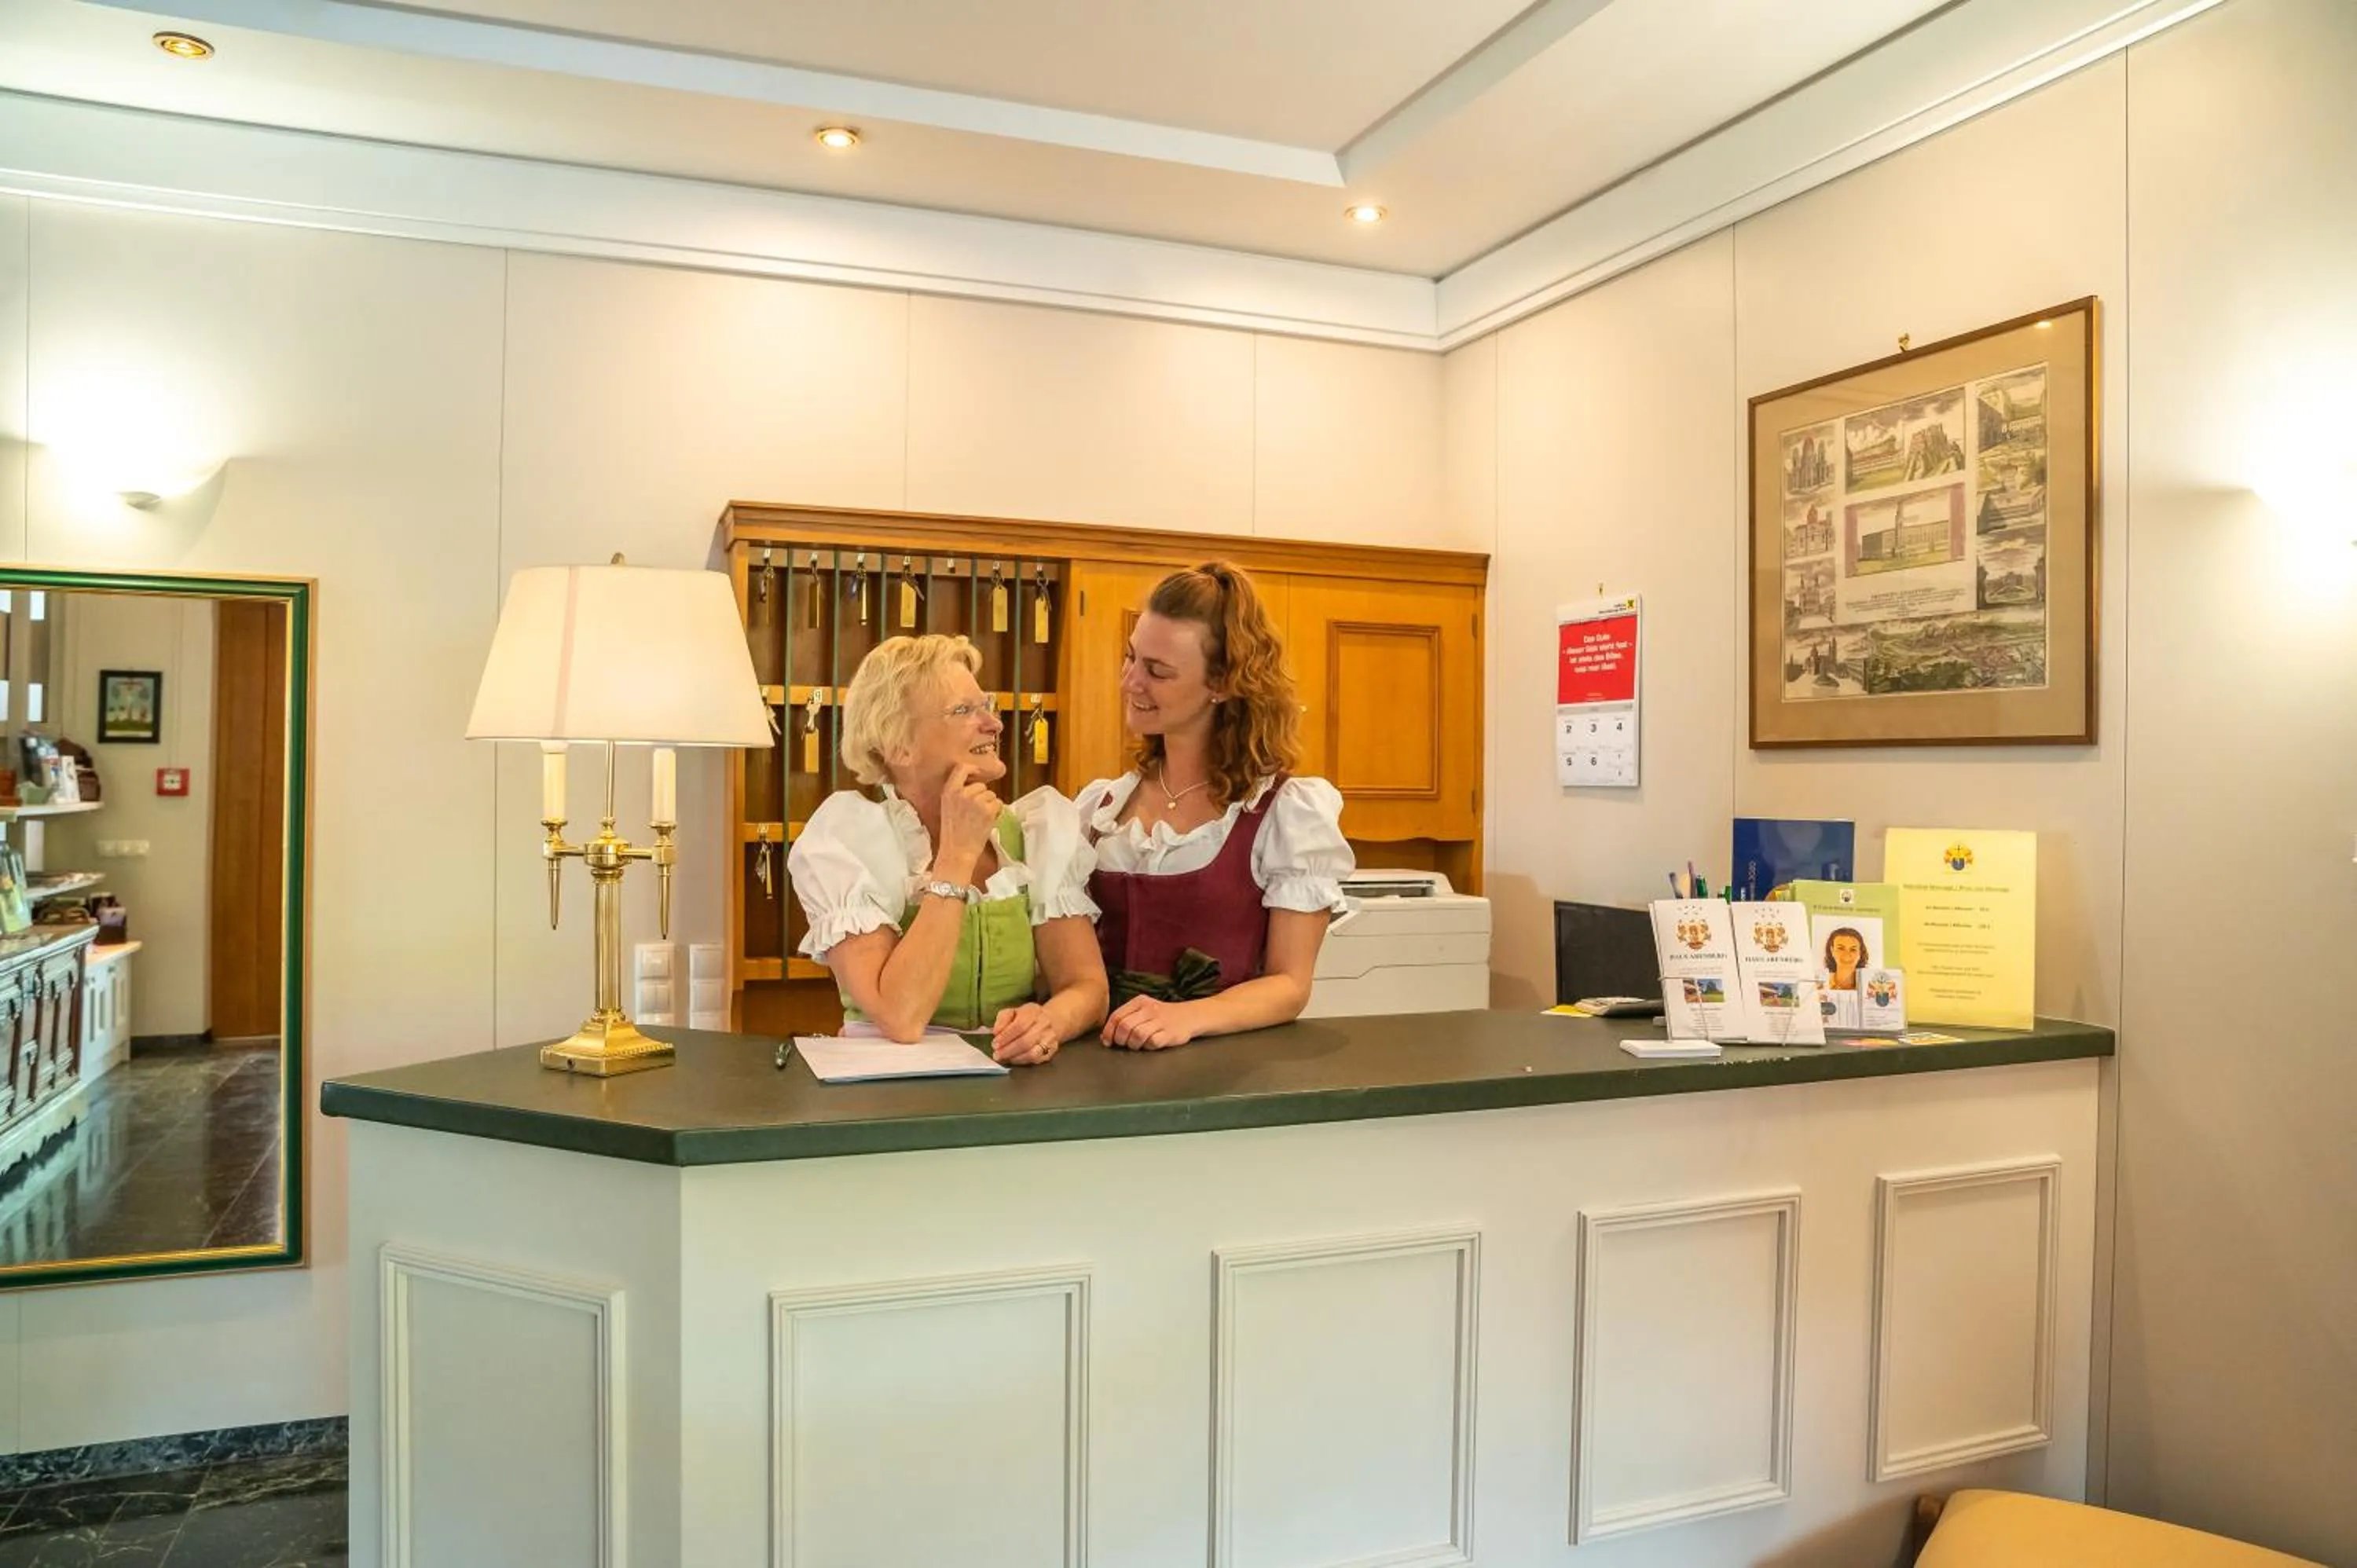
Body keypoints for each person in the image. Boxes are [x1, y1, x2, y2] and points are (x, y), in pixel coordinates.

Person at [786, 635, 1106, 1062]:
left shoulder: (1035, 834)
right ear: (898, 743)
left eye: (986, 706)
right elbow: (901, 1018)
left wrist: (1049, 1023)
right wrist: (956, 858)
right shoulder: (847, 842)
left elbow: (1086, 987)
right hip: (883, 1091)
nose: (994, 724)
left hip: (1005, 1086)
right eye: (963, 711)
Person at [1075, 561, 1353, 1050]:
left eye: (1157, 671)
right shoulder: (1099, 807)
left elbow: (1290, 986)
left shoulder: (1284, 814)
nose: (1131, 682)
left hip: (1221, 1071)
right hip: (1097, 1069)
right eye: (1131, 657)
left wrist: (1189, 1017)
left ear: (1222, 684)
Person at [1823, 926, 1870, 991]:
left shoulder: (1870, 986)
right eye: (1841, 948)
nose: (1847, 955)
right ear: (1832, 951)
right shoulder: (1820, 984)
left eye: (1853, 949)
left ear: (1860, 953)